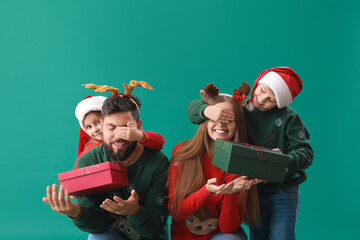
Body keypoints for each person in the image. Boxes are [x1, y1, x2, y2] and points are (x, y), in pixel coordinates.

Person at [187, 67, 314, 240]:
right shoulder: (242, 106)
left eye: (271, 99)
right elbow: (193, 109)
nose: (261, 99)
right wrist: (207, 111)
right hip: (253, 190)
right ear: (258, 83)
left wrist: (284, 160)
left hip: (283, 189)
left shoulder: (289, 118)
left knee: (281, 236)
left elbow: (305, 153)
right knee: (258, 236)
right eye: (261, 90)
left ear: (280, 103)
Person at [43, 84, 169, 240]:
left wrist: (134, 211)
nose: (118, 135)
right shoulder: (88, 161)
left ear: (139, 127)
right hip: (112, 233)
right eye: (111, 128)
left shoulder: (158, 163)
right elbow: (98, 226)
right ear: (102, 127)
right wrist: (75, 212)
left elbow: (155, 227)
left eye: (125, 128)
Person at [168, 84, 263, 240]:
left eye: (229, 119)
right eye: (216, 117)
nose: (221, 124)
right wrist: (208, 190)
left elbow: (228, 229)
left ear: (237, 125)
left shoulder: (238, 160)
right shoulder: (183, 152)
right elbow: (176, 212)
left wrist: (232, 192)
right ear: (205, 119)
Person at [74, 95, 165, 169]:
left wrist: (138, 135)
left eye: (97, 122)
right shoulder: (88, 155)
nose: (95, 129)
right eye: (89, 127)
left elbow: (159, 141)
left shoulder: (134, 137)